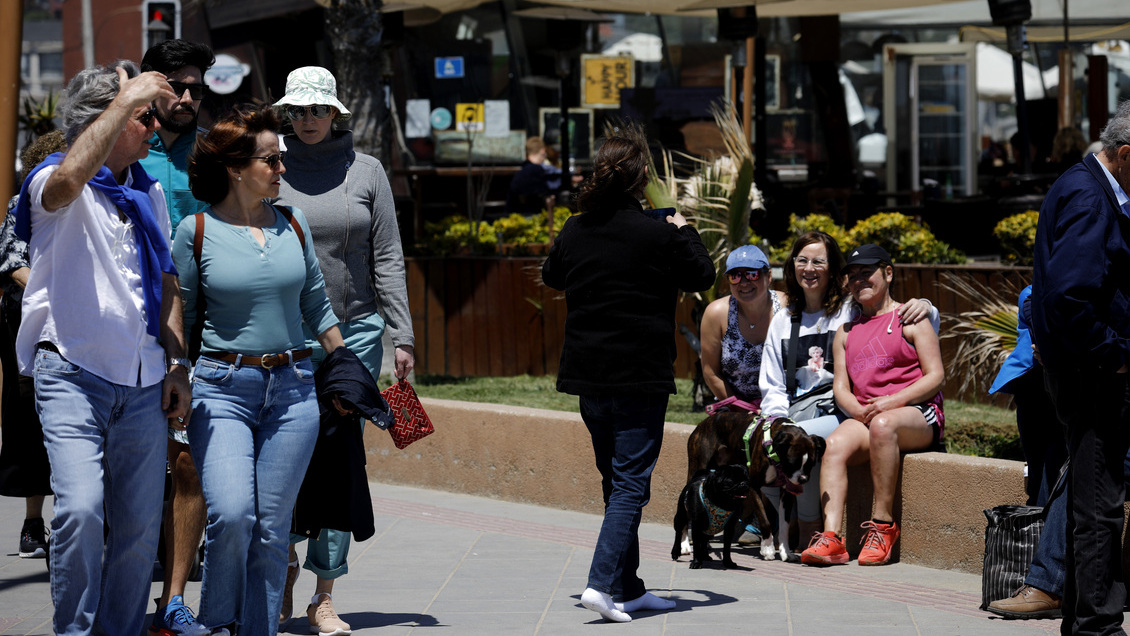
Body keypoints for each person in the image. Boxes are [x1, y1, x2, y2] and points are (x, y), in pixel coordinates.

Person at [11, 60, 189, 636]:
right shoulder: (49, 179)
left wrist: (178, 362)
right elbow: (66, 185)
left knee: (138, 531)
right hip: (71, 371)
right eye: (144, 117)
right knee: (82, 513)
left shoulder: (150, 192)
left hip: (141, 379)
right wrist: (122, 101)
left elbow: (166, 283)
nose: (155, 130)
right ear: (104, 121)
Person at [176, 103, 347, 635]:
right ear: (234, 167)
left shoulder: (291, 223)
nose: (281, 169)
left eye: (281, 159)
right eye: (270, 160)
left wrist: (344, 366)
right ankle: (221, 623)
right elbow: (176, 312)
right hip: (222, 388)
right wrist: (176, 371)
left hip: (294, 390)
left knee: (273, 529)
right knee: (231, 515)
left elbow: (316, 305)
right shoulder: (196, 229)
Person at [541, 124, 715, 623]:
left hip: (589, 377)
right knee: (629, 485)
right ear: (641, 180)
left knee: (615, 482)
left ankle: (628, 584)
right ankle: (600, 583)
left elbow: (553, 275)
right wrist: (683, 228)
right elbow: (703, 276)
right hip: (638, 378)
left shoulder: (576, 228)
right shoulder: (660, 233)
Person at [273, 65, 415, 634]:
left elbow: (388, 256)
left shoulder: (368, 170)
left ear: (336, 113)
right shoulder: (270, 163)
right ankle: (279, 563)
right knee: (281, 454)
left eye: (317, 110)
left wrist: (401, 336)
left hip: (352, 335)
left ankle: (324, 592)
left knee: (340, 462)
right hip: (280, 332)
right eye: (298, 111)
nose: (307, 120)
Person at [758, 232, 936, 547]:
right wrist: (777, 419)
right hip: (810, 410)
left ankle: (809, 530)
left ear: (832, 270)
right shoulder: (784, 320)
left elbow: (899, 315)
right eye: (802, 260)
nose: (809, 268)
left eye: (818, 261)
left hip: (838, 411)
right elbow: (772, 383)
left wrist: (925, 305)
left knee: (801, 441)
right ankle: (774, 525)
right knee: (772, 440)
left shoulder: (849, 311)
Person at [1030, 100, 1130, 635]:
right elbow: (1067, 298)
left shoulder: (1084, 186)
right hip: (1092, 378)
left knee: (1092, 504)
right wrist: (1112, 354)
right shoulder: (1090, 197)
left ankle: (1083, 623)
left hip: (1081, 372)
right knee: (1099, 508)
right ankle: (1098, 628)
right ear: (1126, 154)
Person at [799, 244, 945, 567]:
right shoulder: (845, 333)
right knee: (834, 443)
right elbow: (841, 388)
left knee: (883, 425)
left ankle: (882, 526)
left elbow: (936, 377)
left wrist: (891, 403)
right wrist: (857, 410)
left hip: (918, 413)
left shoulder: (911, 317)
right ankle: (832, 538)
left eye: (867, 273)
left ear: (888, 273)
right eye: (852, 276)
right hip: (871, 416)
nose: (858, 280)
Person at [139, 37, 216, 636]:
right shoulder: (122, 148)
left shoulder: (214, 154)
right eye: (176, 85)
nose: (188, 96)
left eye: (196, 86)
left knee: (186, 466)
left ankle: (175, 600)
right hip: (122, 336)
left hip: (194, 339)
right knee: (129, 471)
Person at [0, 130, 66, 560]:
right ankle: (31, 523)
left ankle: (78, 521)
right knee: (28, 418)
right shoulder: (23, 201)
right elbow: (11, 261)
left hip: (80, 326)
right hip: (27, 320)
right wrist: (55, 290)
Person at [988, 286, 1065, 507]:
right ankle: (1037, 527)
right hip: (1034, 389)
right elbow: (1038, 314)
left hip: (1067, 389)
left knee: (1056, 462)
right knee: (1041, 468)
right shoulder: (1032, 294)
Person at [699, 243, 786, 411]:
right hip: (735, 407)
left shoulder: (786, 308)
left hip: (785, 404)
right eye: (735, 276)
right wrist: (742, 408)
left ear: (768, 276)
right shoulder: (716, 314)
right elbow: (710, 372)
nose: (744, 282)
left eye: (752, 274)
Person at [507, 136, 556, 215]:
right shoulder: (537, 171)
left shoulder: (522, 171)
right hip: (530, 216)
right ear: (542, 151)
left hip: (515, 216)